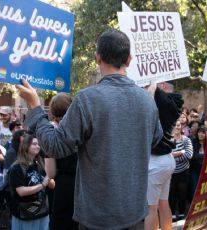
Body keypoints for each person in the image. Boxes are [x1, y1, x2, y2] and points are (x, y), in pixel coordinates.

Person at [16, 29, 163, 229]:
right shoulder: (147, 100)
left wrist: (35, 106)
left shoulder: (88, 99)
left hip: (98, 218)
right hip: (134, 214)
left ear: (97, 58)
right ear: (129, 60)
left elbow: (54, 146)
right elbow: (156, 139)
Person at [144, 81, 183, 230]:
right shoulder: (173, 102)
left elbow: (147, 103)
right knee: (163, 203)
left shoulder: (164, 102)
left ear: (164, 86)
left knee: (150, 208)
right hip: (166, 160)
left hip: (156, 163)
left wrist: (152, 85)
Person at [44, 93, 79, 229]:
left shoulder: (51, 133)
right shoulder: (84, 128)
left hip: (63, 188)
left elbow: (51, 173)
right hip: (85, 184)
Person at [8, 135, 50, 230]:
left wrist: (50, 177)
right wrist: (42, 185)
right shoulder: (17, 168)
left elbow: (51, 185)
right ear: (26, 146)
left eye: (39, 144)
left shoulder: (40, 165)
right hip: (25, 213)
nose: (38, 146)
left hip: (42, 211)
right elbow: (21, 191)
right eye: (34, 144)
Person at [169, 120, 193, 221]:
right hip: (171, 172)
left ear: (181, 127)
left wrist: (173, 156)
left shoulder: (186, 140)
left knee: (182, 193)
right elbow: (165, 155)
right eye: (174, 125)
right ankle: (173, 213)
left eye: (178, 125)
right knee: (171, 193)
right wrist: (180, 152)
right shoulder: (168, 140)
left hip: (184, 172)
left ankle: (182, 212)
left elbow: (189, 155)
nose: (176, 127)